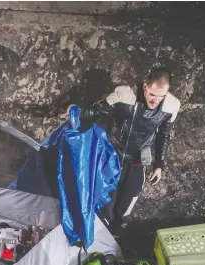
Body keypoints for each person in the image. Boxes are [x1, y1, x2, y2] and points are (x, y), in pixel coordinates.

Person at [66, 67, 180, 231]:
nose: (155, 100)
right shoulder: (125, 96)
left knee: (129, 200)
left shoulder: (170, 106)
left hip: (138, 159)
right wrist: (78, 112)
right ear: (145, 86)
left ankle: (118, 234)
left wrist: (159, 164)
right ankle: (100, 234)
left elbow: (164, 134)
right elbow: (97, 111)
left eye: (161, 96)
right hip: (113, 155)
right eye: (152, 95)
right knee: (106, 200)